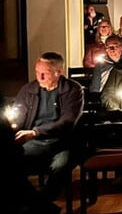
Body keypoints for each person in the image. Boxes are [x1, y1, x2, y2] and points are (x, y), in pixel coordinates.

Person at [11, 53, 83, 202]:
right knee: (11, 160)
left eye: (46, 73)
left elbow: (67, 122)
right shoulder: (28, 90)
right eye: (38, 72)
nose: (40, 77)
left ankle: (44, 202)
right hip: (35, 142)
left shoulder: (73, 90)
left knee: (60, 167)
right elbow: (18, 118)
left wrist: (35, 132)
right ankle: (32, 202)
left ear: (59, 72)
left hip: (63, 142)